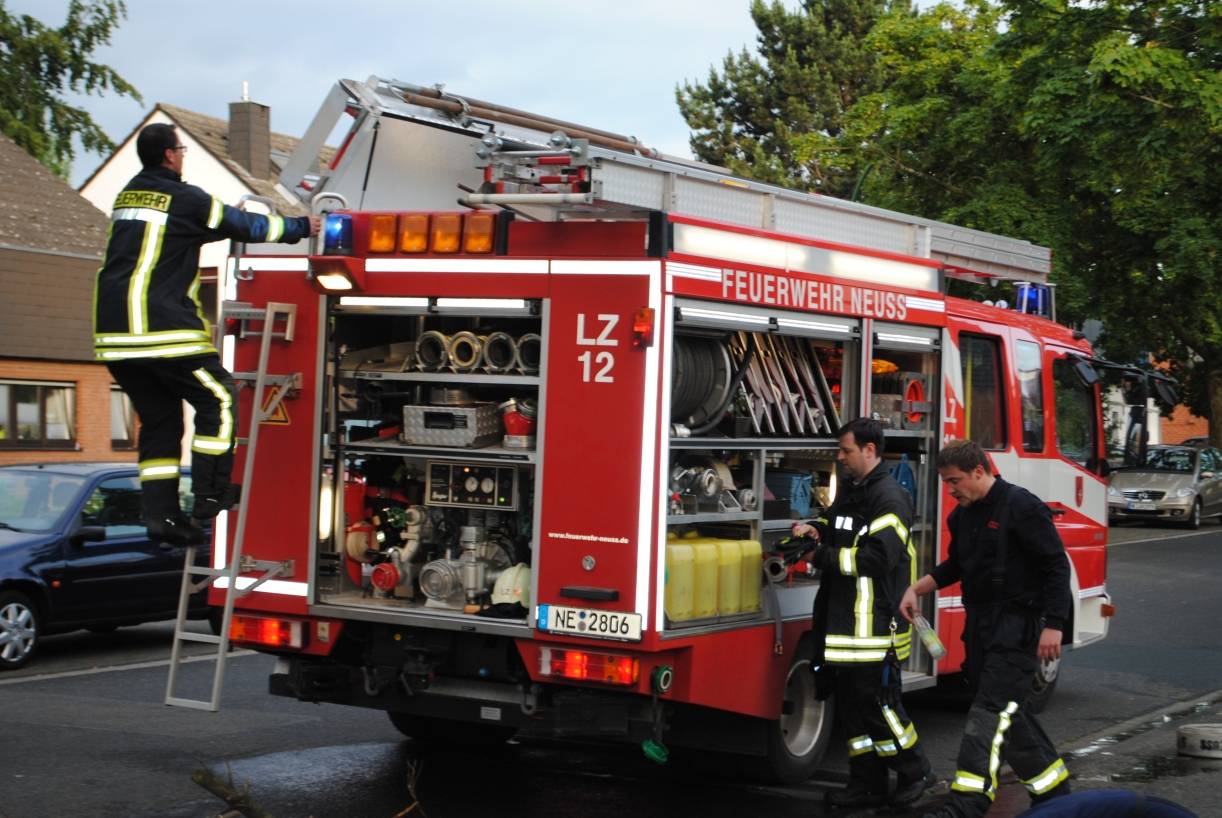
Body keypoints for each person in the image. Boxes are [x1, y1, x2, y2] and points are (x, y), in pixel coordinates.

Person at [94, 123, 318, 545]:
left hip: (115, 337)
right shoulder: (187, 198)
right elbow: (251, 228)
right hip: (162, 332)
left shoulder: (128, 199)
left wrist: (218, 222)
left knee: (160, 421)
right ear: (169, 156)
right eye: (181, 149)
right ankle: (210, 496)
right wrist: (303, 228)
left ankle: (161, 517)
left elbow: (187, 231)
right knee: (217, 396)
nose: (182, 155)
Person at [899, 439, 1073, 818]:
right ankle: (1056, 792)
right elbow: (955, 566)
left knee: (989, 713)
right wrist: (916, 588)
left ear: (980, 471)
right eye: (946, 482)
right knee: (1011, 715)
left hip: (1017, 627)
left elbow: (1056, 567)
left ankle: (966, 805)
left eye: (955, 480)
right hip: (980, 628)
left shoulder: (1022, 507)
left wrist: (1054, 626)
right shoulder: (962, 516)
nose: (950, 489)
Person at [791, 417, 936, 809]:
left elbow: (876, 558)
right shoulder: (855, 491)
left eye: (846, 450)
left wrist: (820, 556)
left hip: (872, 627)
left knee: (878, 707)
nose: (840, 458)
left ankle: (915, 771)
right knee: (855, 714)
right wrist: (813, 529)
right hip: (845, 626)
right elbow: (835, 524)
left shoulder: (889, 498)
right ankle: (866, 784)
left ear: (869, 450)